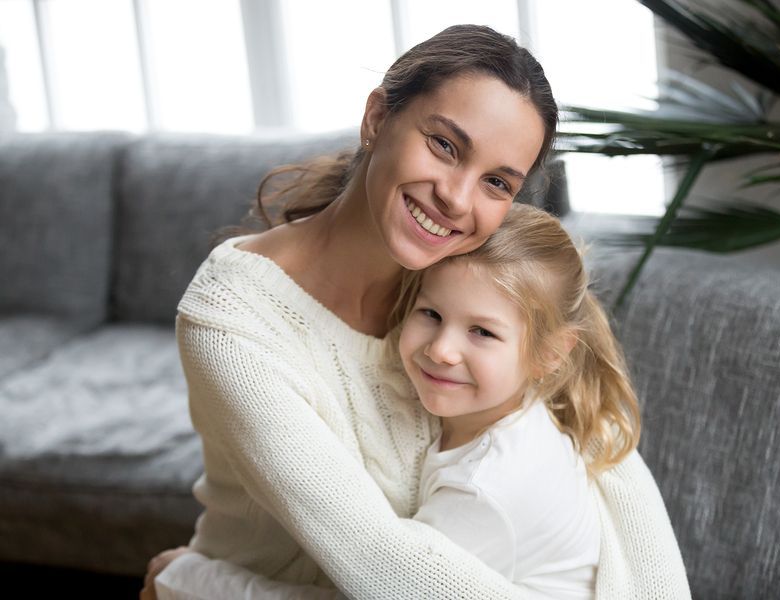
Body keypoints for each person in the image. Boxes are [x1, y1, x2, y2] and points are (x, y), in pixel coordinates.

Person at [144, 24, 690, 600]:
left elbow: (605, 454)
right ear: (377, 117)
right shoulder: (231, 321)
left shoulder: (471, 271)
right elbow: (384, 565)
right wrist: (193, 583)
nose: (457, 198)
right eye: (445, 145)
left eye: (497, 182)